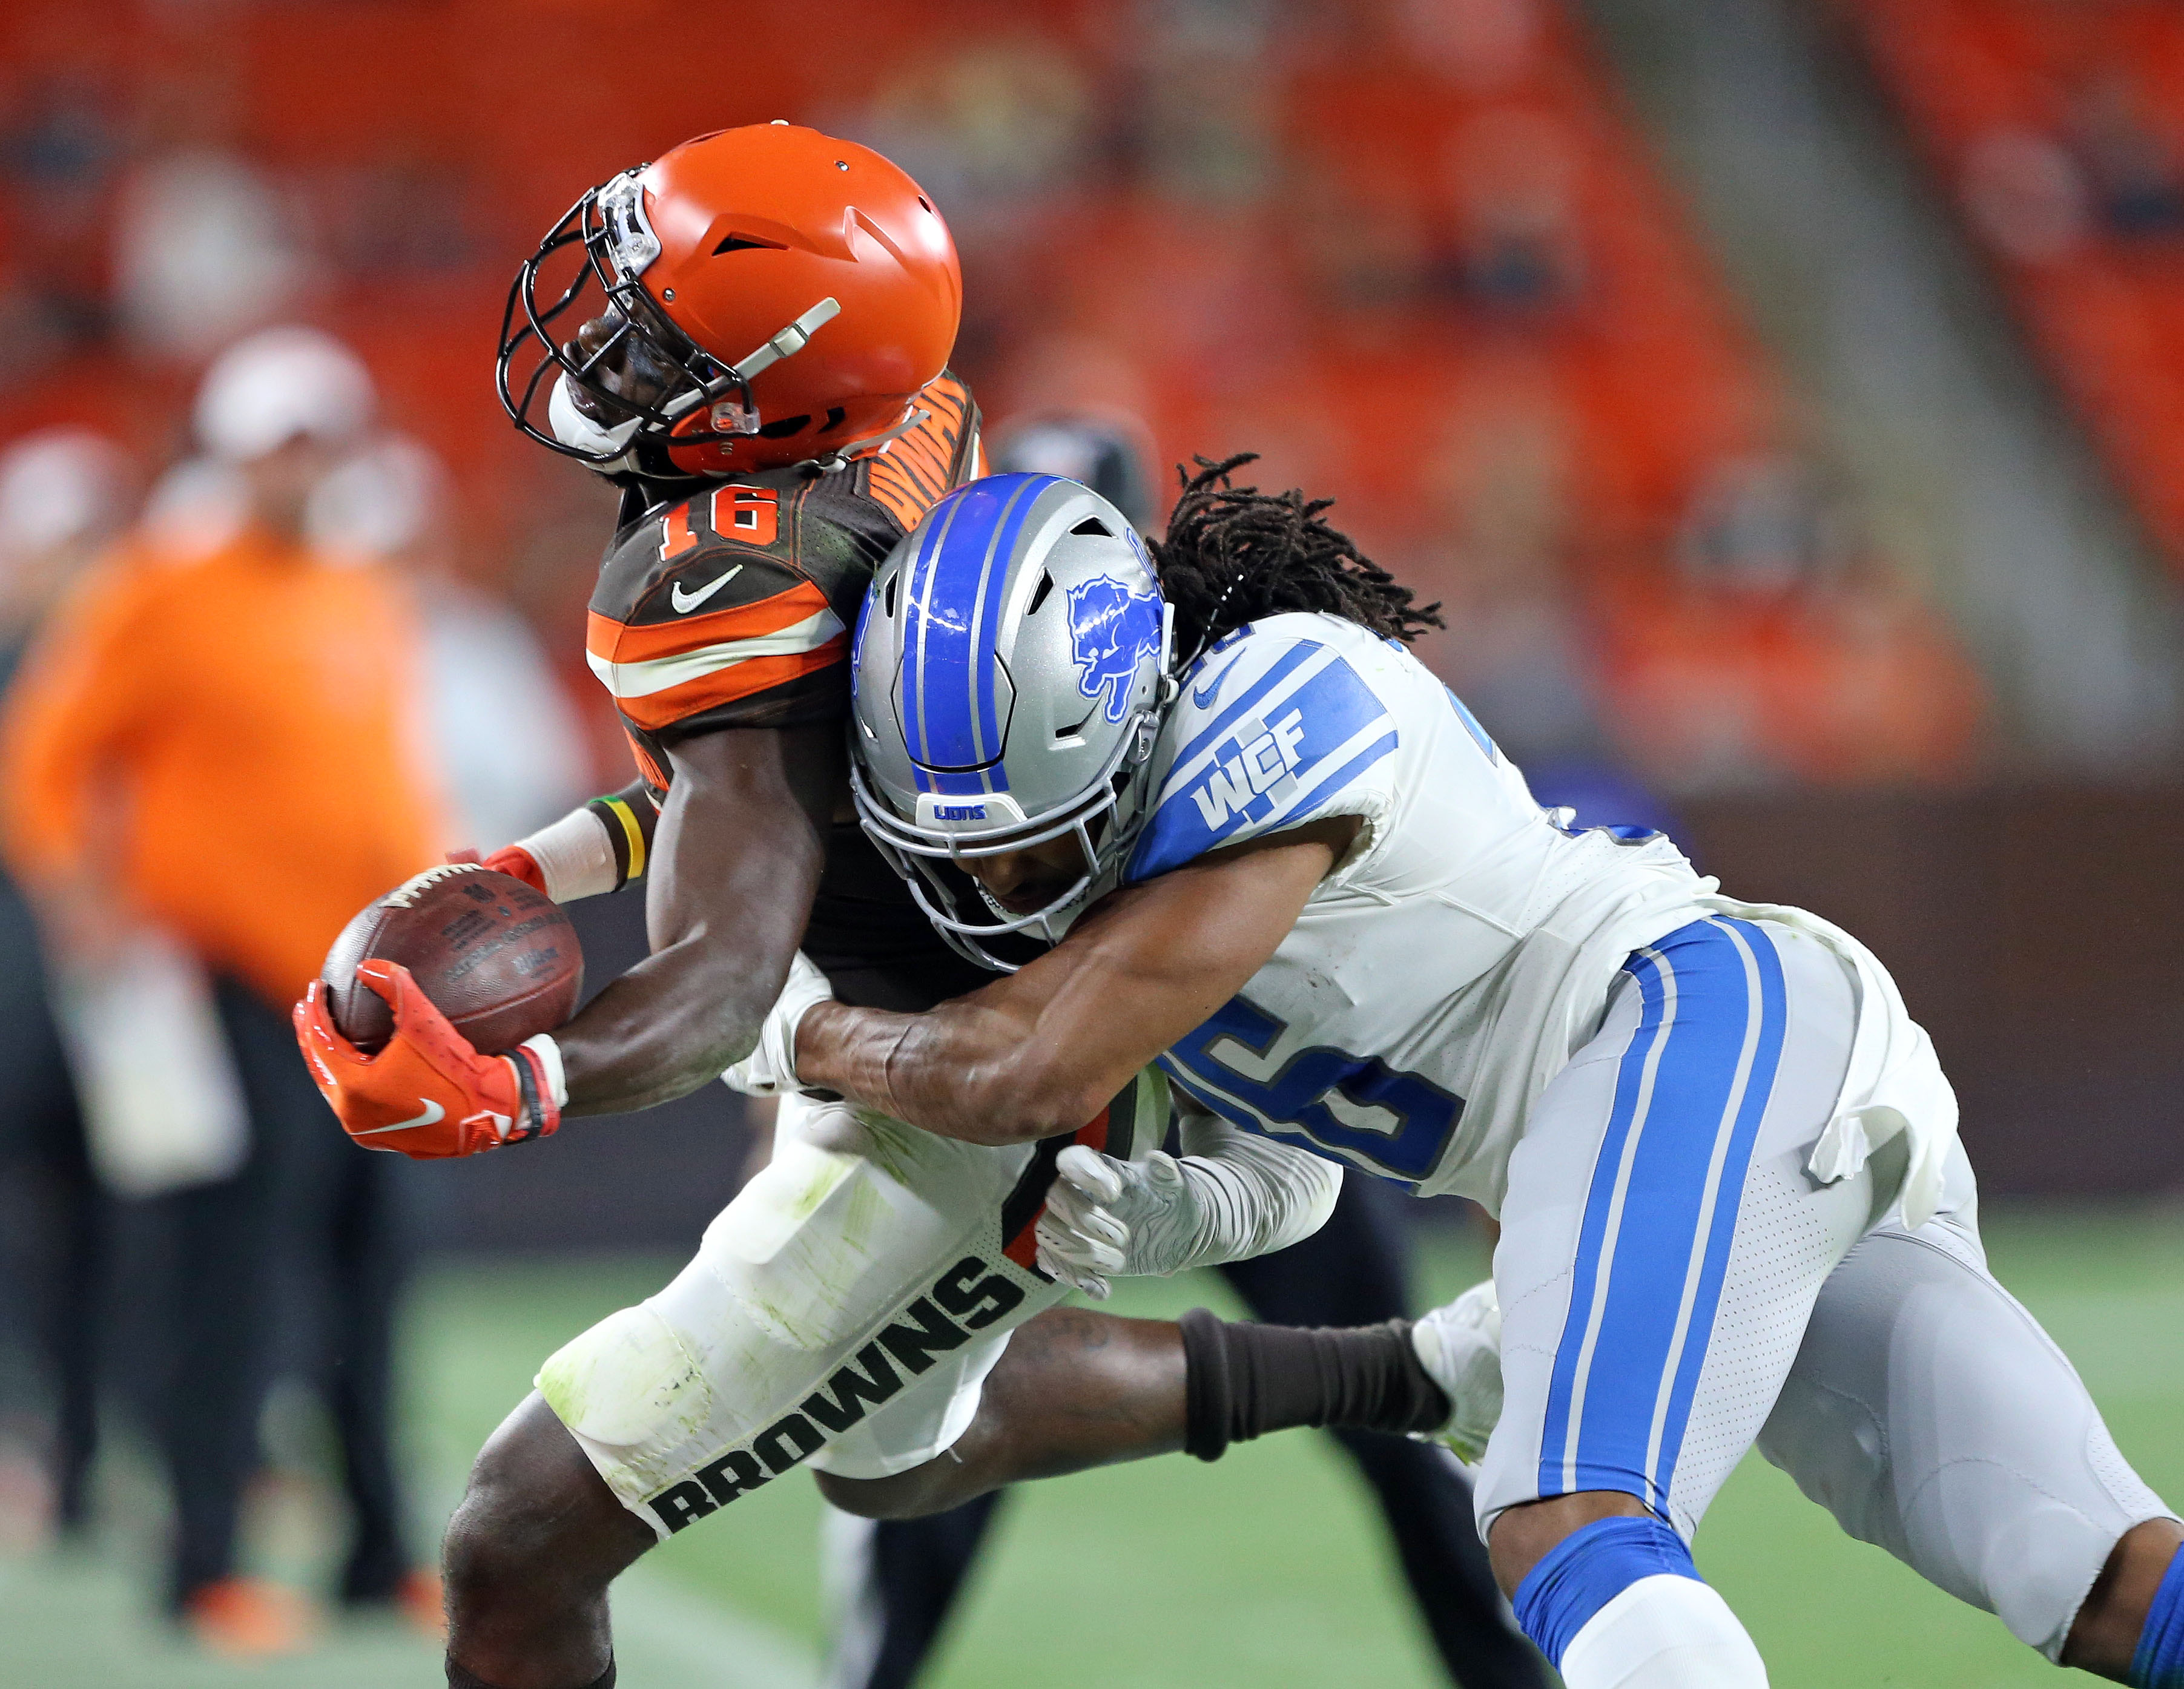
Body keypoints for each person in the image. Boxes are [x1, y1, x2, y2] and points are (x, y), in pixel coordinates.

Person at [297, 128, 1506, 1689]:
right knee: (899, 1462)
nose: (601, 337)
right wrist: (539, 869)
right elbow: (797, 794)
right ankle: (1385, 1371)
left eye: (659, 329)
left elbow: (724, 982)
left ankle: (1387, 1382)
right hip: (983, 965)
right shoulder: (907, 423)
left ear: (784, 384)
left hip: (979, 1079)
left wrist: (515, 1083)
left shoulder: (725, 586)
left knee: (515, 1534)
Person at [743, 458, 2180, 1689]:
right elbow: (1293, 1175)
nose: (993, 879)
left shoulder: (1280, 689)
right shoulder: (1143, 931)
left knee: (1562, 1521)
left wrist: (791, 1027)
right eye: (954, 845)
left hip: (1693, 1022)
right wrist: (1175, 1211)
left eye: (1027, 839)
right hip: (1701, 1098)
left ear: (1120, 733)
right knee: (2095, 1578)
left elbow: (1019, 1069)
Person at [814, 411, 1540, 1689]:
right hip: (1019, 1112)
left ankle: (1512, 1673)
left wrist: (803, 1044)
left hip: (1229, 1090)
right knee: (927, 1435)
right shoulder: (916, 728)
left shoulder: (1229, 730)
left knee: (1397, 1403)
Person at [1, 329, 442, 1651]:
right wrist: (88, 906)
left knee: (376, 1266)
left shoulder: (357, 592)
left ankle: (375, 1551)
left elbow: (387, 786)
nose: (303, 468)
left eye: (321, 442)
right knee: (229, 1277)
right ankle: (202, 1562)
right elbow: (46, 762)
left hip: (362, 987)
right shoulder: (163, 587)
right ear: (237, 455)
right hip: (225, 982)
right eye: (280, 445)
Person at [0, 430, 133, 1542]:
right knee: (31, 1230)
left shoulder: (133, 667)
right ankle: (35, 1446)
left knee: (129, 1227)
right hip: (24, 992)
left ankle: (100, 1449)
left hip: (119, 989)